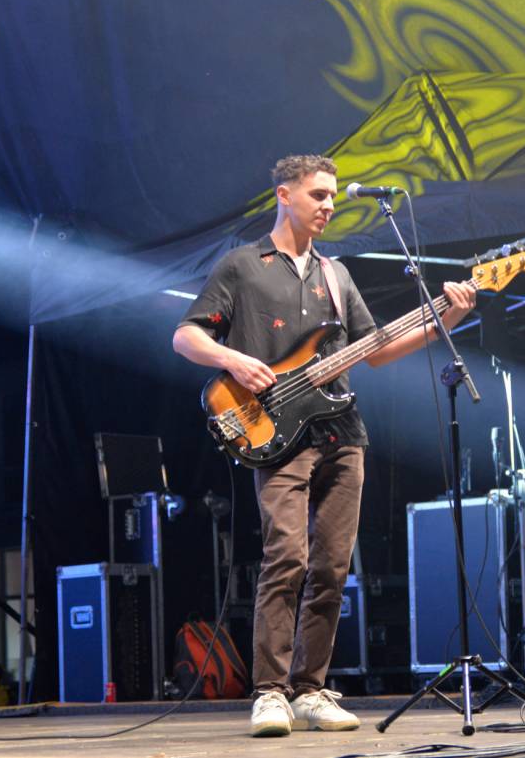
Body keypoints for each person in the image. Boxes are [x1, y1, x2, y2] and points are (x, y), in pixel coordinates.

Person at [173, 155, 475, 736]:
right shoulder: (242, 266)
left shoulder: (336, 275)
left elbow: (375, 350)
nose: (330, 205)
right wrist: (234, 359)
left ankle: (310, 689)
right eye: (318, 195)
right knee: (287, 557)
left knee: (333, 567)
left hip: (342, 431)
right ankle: (270, 692)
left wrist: (446, 321)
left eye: (333, 196)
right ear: (284, 195)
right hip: (274, 432)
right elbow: (185, 336)